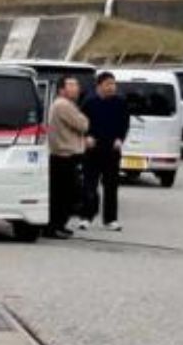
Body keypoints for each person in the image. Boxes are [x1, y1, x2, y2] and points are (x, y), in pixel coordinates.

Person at [79, 71, 129, 232]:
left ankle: (111, 219)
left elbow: (124, 124)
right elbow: (81, 124)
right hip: (93, 150)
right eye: (108, 84)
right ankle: (86, 217)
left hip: (112, 150)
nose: (112, 87)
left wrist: (120, 139)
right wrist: (86, 137)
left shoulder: (120, 103)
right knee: (89, 185)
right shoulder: (89, 103)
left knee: (111, 186)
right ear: (99, 85)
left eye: (114, 84)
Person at [45, 75, 88, 238]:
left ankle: (58, 225)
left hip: (63, 156)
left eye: (77, 84)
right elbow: (83, 124)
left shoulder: (65, 104)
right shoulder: (63, 105)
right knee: (64, 194)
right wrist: (83, 119)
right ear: (62, 89)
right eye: (71, 85)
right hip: (64, 156)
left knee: (63, 194)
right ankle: (54, 226)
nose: (76, 88)